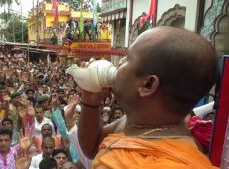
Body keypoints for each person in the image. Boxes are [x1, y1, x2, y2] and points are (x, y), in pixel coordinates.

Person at [78, 27, 218, 168]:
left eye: (128, 59)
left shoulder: (171, 163)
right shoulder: (140, 122)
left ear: (148, 85)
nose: (119, 63)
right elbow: (93, 147)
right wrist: (90, 103)